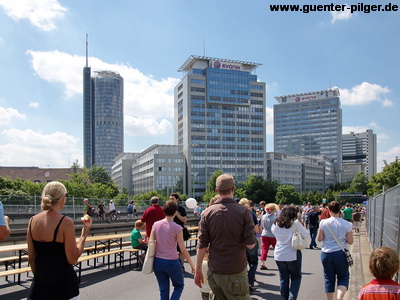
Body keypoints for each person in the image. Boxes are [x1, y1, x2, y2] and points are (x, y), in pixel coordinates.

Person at [27, 181, 92, 300]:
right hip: (64, 287)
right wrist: (84, 233)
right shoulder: (65, 222)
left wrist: (41, 278)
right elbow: (72, 258)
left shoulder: (32, 221)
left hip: (39, 288)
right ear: (62, 199)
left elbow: (31, 257)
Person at [194, 174, 256, 300]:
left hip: (215, 270)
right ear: (233, 188)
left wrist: (198, 269)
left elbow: (202, 245)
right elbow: (250, 245)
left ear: (217, 190)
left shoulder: (207, 212)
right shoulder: (243, 212)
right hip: (236, 269)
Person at [150, 200, 195, 300]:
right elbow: (183, 250)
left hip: (158, 261)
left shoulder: (156, 225)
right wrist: (192, 265)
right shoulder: (177, 228)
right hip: (172, 261)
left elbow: (151, 242)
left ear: (163, 210)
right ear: (175, 212)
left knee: (163, 289)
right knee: (179, 286)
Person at [272, 206, 310, 300]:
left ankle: (285, 297)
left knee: (283, 278)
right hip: (293, 253)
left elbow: (274, 233)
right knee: (296, 277)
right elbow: (306, 235)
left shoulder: (276, 223)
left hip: (279, 253)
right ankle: (292, 297)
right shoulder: (295, 223)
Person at [317, 201, 353, 300]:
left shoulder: (323, 222)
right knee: (343, 277)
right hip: (340, 253)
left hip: (326, 253)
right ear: (340, 210)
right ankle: (339, 297)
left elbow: (319, 239)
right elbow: (350, 241)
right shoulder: (347, 224)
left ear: (329, 210)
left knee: (328, 278)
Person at [238, 198, 260, 293]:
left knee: (242, 263)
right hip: (250, 240)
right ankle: (250, 281)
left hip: (239, 241)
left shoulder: (236, 214)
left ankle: (242, 283)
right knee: (253, 262)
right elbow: (257, 230)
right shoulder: (252, 215)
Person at [169, 193, 189, 270]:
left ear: (177, 199)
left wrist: (177, 214)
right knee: (170, 249)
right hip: (170, 232)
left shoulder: (181, 209)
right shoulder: (167, 208)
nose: (171, 200)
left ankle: (181, 265)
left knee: (181, 249)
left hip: (179, 231)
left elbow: (184, 220)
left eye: (173, 199)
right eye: (170, 199)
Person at [260, 203, 279, 270]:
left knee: (264, 249)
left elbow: (261, 225)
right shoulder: (275, 218)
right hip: (273, 235)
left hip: (264, 234)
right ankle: (279, 263)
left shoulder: (263, 216)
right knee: (276, 249)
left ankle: (263, 263)